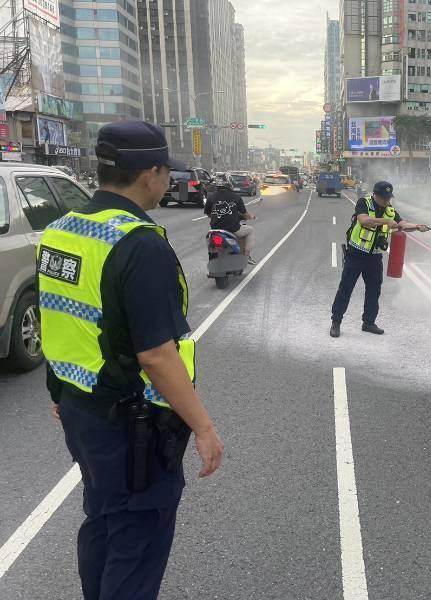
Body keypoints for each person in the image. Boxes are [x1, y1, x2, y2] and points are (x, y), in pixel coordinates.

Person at [37, 120, 224, 600]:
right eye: (167, 173)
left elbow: (58, 319)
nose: (168, 182)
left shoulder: (60, 230)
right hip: (133, 425)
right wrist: (202, 427)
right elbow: (158, 355)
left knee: (101, 516)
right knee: (138, 536)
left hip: (81, 411)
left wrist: (60, 393)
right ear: (151, 173)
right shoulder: (138, 243)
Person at [330, 181, 429, 337]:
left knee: (374, 291)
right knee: (346, 289)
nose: (386, 200)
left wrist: (417, 226)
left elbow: (401, 224)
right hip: (356, 254)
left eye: (388, 197)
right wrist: (386, 222)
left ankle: (368, 322)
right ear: (375, 194)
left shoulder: (390, 210)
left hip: (374, 258)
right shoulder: (364, 202)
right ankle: (336, 322)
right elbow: (364, 220)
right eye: (383, 197)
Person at [204, 176, 257, 265]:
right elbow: (244, 214)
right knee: (250, 230)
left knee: (210, 241)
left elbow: (208, 213)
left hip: (215, 230)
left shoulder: (211, 197)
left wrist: (216, 217)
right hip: (233, 229)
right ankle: (246, 256)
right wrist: (251, 217)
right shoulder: (236, 197)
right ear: (230, 186)